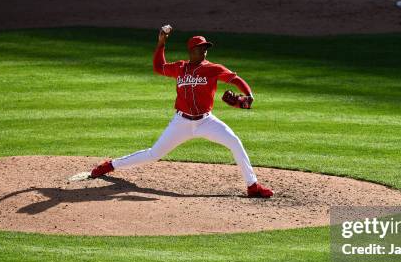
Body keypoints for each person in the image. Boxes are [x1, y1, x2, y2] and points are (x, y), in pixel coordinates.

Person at [89, 25, 273, 198]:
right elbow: (158, 67)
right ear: (192, 50)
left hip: (206, 122)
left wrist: (248, 94)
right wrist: (161, 43)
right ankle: (110, 165)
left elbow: (235, 79)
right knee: (154, 154)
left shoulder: (213, 68)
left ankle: (252, 186)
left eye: (206, 47)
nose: (204, 50)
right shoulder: (180, 68)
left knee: (234, 142)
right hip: (181, 123)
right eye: (201, 47)